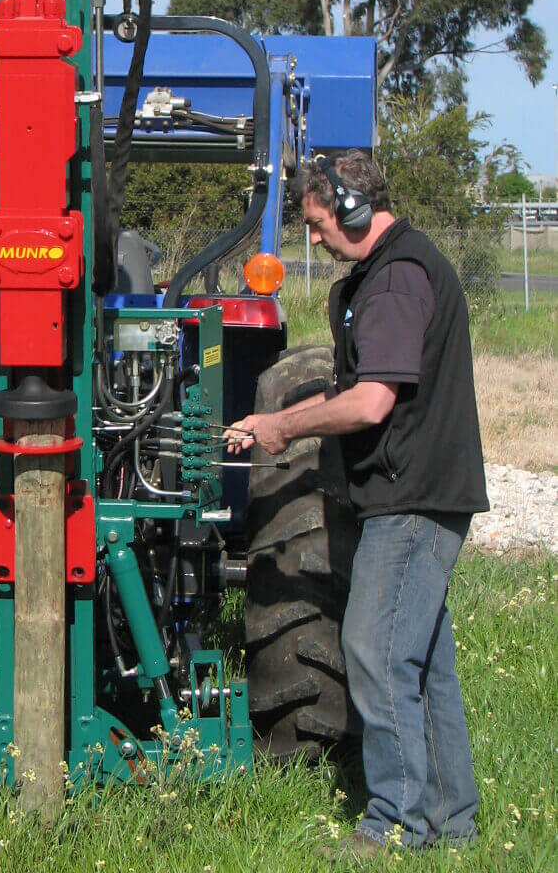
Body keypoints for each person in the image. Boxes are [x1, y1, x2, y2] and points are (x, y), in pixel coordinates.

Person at [225, 150, 489, 860]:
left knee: (373, 651)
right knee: (424, 661)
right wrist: (267, 420)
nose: (312, 239)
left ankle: (395, 823)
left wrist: (285, 426)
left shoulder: (397, 279)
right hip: (420, 492)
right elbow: (358, 383)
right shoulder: (387, 273)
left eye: (315, 223)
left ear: (353, 208)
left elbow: (372, 403)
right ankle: (453, 823)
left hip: (414, 497)